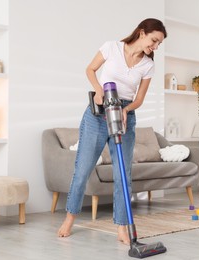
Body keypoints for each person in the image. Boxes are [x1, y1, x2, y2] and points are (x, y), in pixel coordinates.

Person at [58, 18, 167, 245]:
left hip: (125, 117)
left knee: (123, 176)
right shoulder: (111, 47)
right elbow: (90, 69)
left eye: (159, 44)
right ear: (141, 32)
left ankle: (121, 228)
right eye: (154, 40)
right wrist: (98, 90)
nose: (155, 46)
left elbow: (139, 99)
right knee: (83, 169)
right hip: (98, 114)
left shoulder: (148, 65)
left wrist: (126, 110)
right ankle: (70, 218)